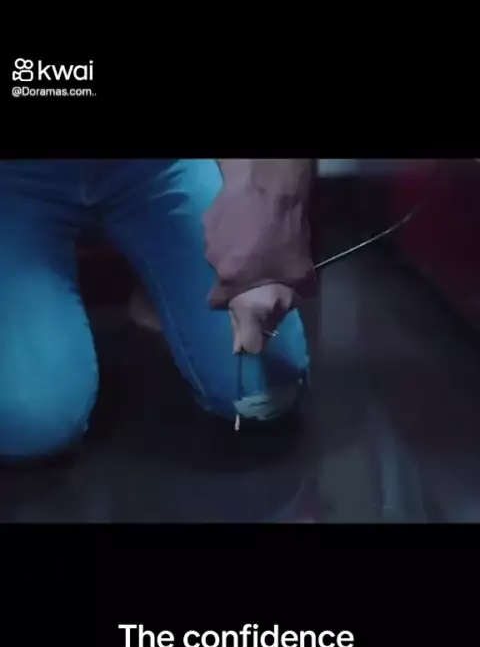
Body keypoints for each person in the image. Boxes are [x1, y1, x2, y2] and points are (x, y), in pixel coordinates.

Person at [0, 159, 315, 462]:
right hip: (14, 179)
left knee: (265, 393)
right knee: (31, 421)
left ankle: (161, 289)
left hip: (158, 166)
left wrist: (267, 210)